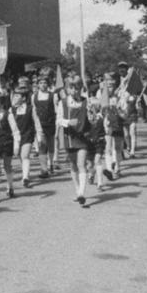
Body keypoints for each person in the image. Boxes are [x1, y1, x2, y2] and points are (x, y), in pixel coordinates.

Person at [56, 76, 90, 206]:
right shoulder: (63, 102)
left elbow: (92, 117)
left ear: (81, 88)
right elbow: (58, 120)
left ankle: (82, 193)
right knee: (73, 166)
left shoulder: (86, 101)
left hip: (83, 137)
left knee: (81, 164)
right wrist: (68, 122)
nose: (74, 90)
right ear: (67, 89)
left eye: (77, 88)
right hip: (69, 138)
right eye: (71, 87)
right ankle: (77, 190)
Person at [32, 70, 57, 178]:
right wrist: (36, 124)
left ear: (48, 84)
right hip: (39, 124)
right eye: (41, 83)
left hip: (51, 123)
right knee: (42, 146)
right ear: (38, 85)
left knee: (51, 145)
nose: (43, 85)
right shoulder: (34, 96)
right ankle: (44, 169)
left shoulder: (53, 95)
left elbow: (56, 110)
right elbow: (34, 110)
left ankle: (51, 163)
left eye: (45, 83)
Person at [11, 81, 36, 188]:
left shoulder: (31, 109)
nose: (15, 98)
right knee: (20, 156)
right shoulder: (11, 110)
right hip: (16, 137)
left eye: (17, 96)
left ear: (24, 98)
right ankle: (26, 173)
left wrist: (39, 136)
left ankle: (25, 178)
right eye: (14, 95)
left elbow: (36, 122)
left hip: (27, 134)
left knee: (25, 156)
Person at [85, 100, 107, 191]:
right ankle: (91, 173)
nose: (95, 108)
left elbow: (107, 128)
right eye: (93, 106)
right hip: (89, 143)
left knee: (98, 160)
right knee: (90, 165)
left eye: (96, 106)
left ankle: (100, 183)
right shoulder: (86, 118)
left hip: (99, 142)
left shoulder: (102, 117)